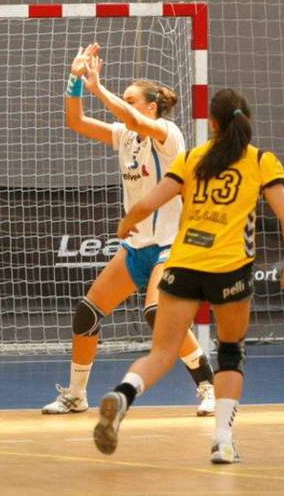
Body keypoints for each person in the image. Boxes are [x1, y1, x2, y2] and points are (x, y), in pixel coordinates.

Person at [93, 88, 284, 464]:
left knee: (163, 352)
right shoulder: (261, 161)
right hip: (228, 268)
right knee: (231, 352)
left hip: (183, 263)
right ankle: (222, 442)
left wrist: (126, 223)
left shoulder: (191, 159)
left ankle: (123, 394)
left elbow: (150, 202)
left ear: (212, 124)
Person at [42, 44, 215, 416]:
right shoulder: (125, 136)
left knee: (157, 312)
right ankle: (76, 394)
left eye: (130, 99)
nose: (124, 104)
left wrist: (98, 88)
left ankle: (207, 386)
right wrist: (76, 80)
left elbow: (134, 121)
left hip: (172, 244)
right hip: (137, 247)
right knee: (86, 315)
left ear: (150, 107)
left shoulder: (168, 134)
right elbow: (77, 121)